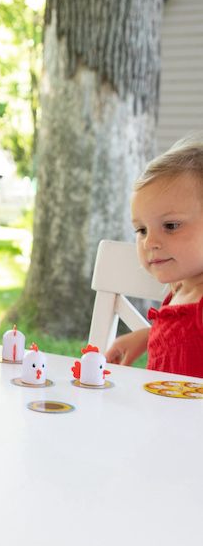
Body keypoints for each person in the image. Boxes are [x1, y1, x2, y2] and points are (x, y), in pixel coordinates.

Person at [105, 135, 203, 378]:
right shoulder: (182, 288)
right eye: (141, 230)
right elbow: (187, 337)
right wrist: (149, 335)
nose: (149, 242)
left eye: (170, 225)